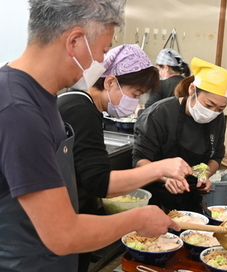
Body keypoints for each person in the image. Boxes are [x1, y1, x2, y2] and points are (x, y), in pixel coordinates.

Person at [0, 1, 186, 271]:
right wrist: (138, 219)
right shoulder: (19, 110)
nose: (100, 62)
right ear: (74, 41)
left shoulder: (42, 96)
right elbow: (63, 234)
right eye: (102, 51)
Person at [58, 44, 192, 271]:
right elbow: (99, 183)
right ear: (110, 82)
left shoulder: (74, 100)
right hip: (66, 224)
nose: (135, 102)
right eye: (135, 94)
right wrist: (159, 169)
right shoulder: (81, 110)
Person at [133, 57, 227, 213]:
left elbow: (216, 156)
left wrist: (204, 175)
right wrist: (164, 176)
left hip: (190, 200)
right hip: (154, 200)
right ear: (192, 90)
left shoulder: (218, 119)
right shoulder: (160, 114)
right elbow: (139, 160)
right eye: (208, 105)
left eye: (220, 108)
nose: (212, 112)